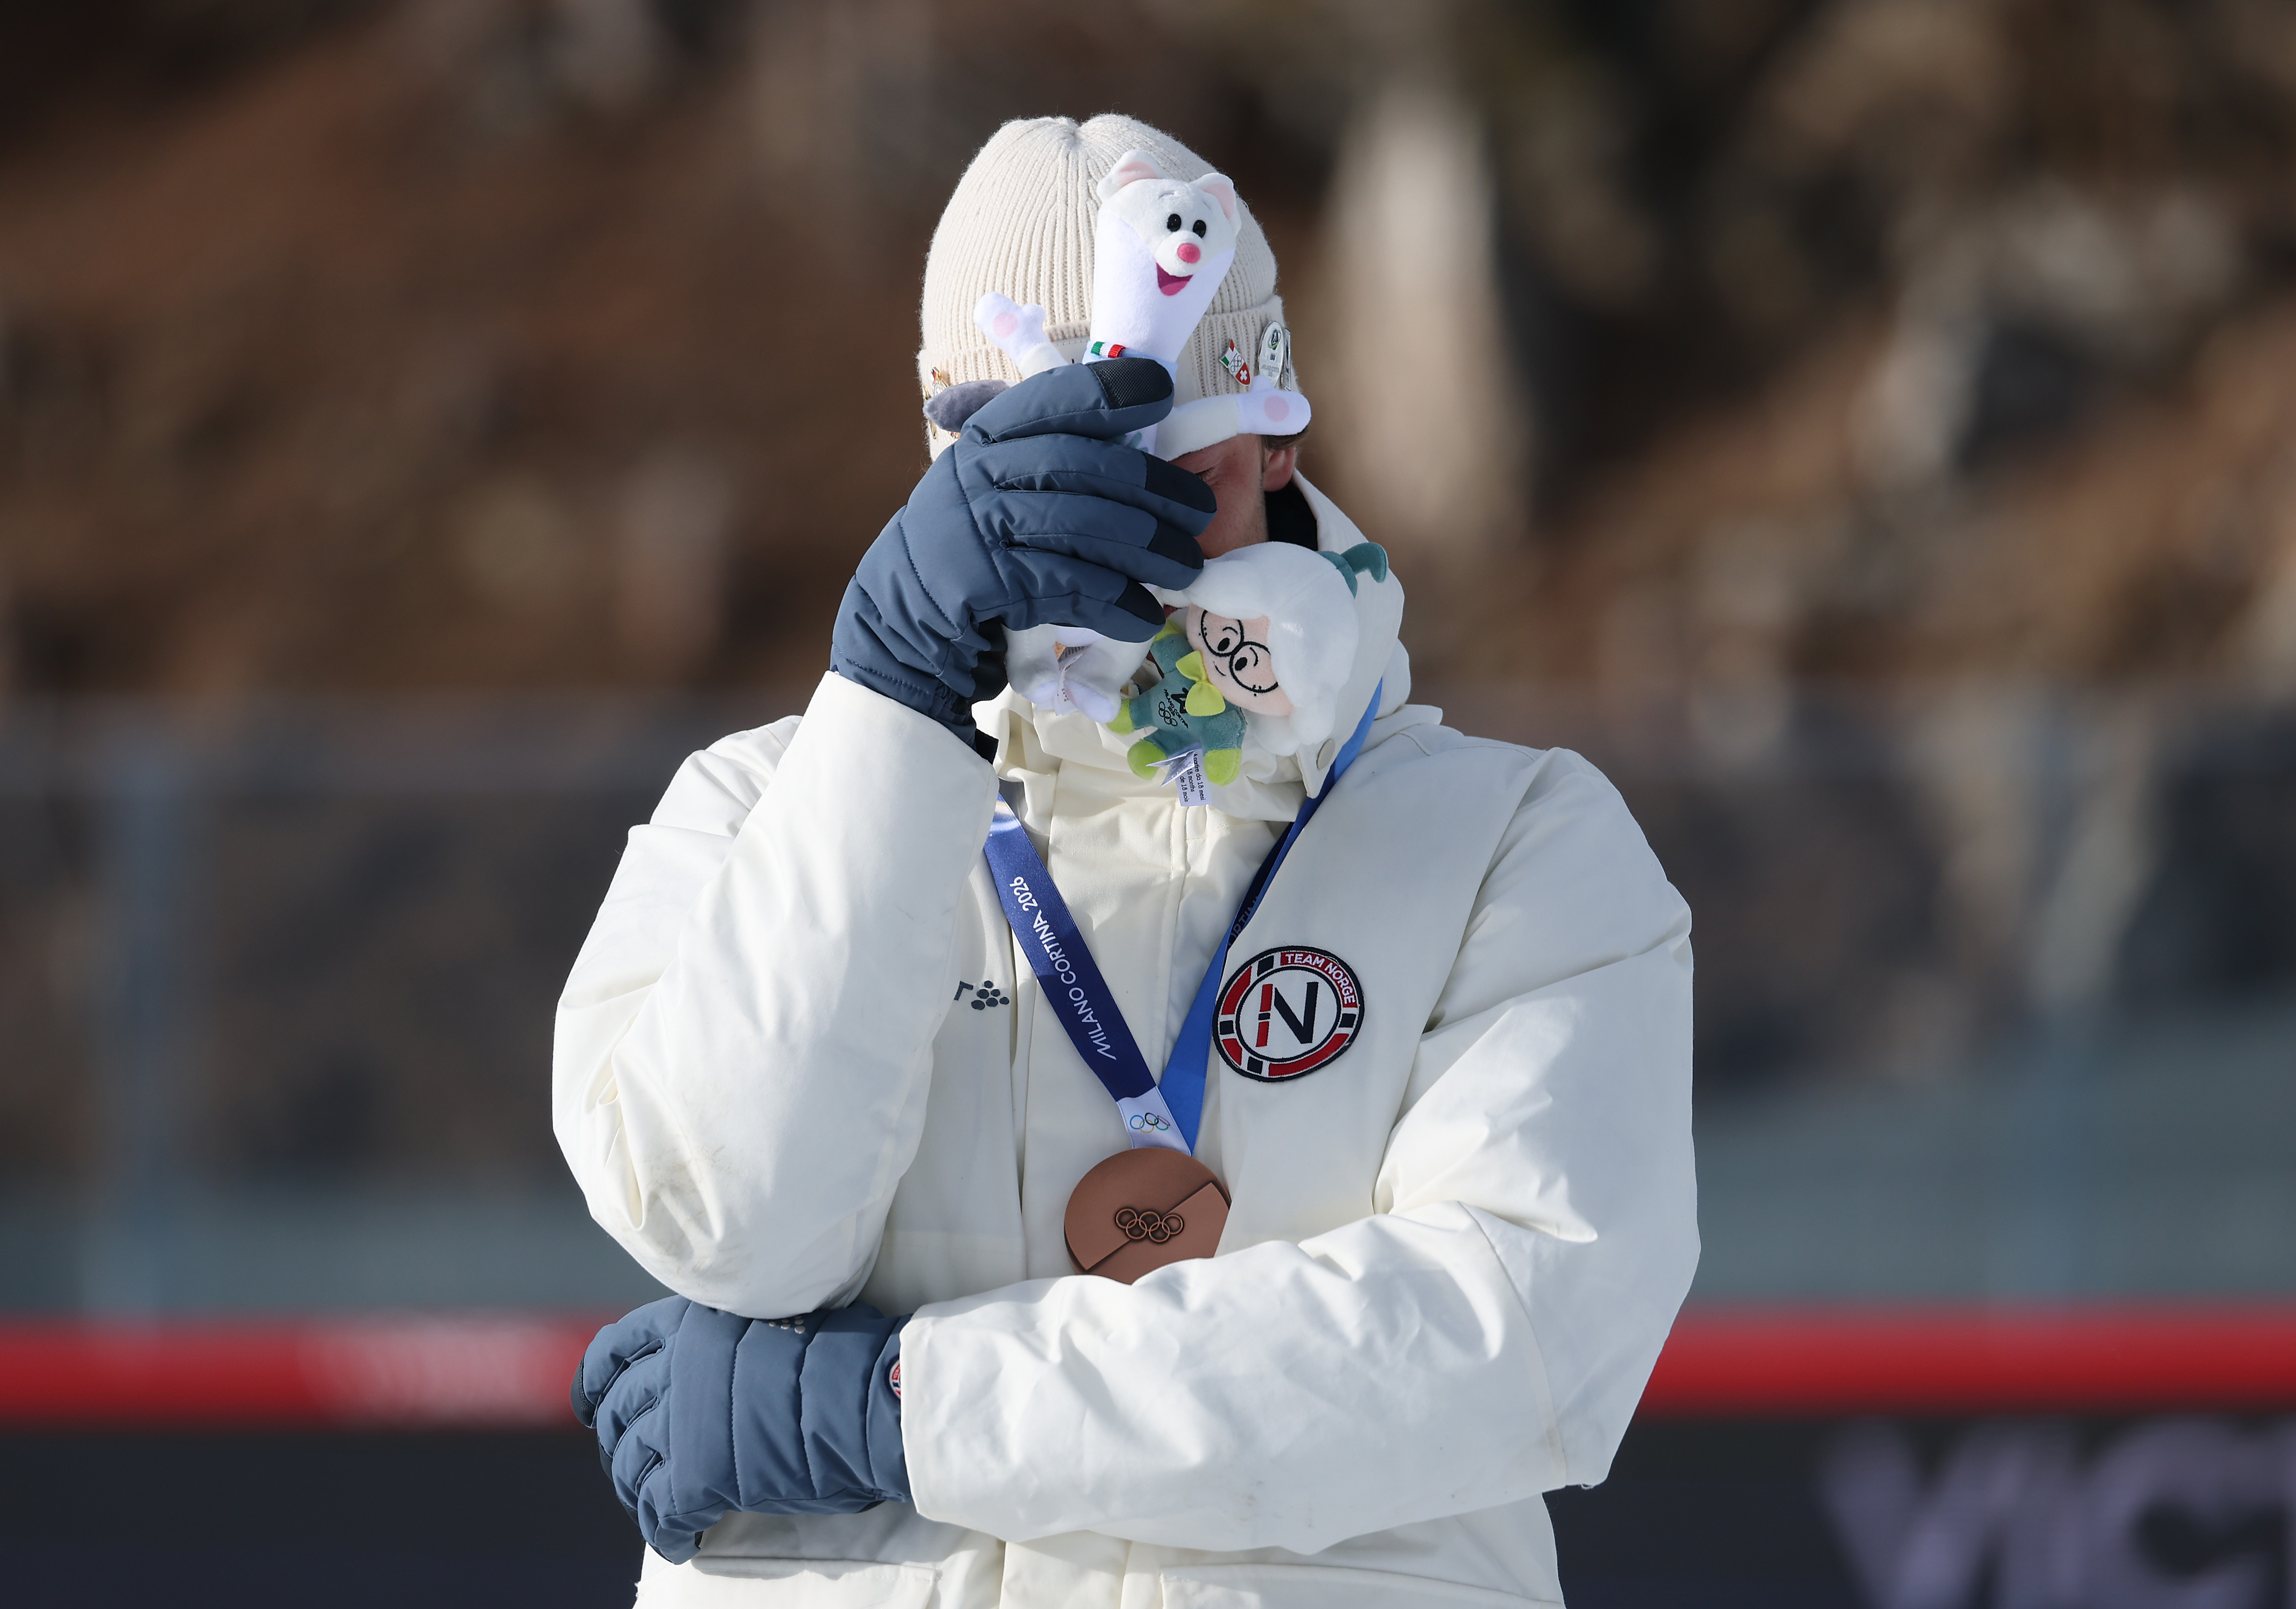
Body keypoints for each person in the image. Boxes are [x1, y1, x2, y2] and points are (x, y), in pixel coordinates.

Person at [553, 114, 1697, 1608]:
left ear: (1280, 443)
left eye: (1169, 480)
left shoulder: (1518, 846)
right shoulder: (763, 810)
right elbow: (728, 1221)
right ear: (948, 477)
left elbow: (1504, 1340)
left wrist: (903, 1415)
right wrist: (894, 713)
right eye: (1044, 491)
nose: (1121, 567)